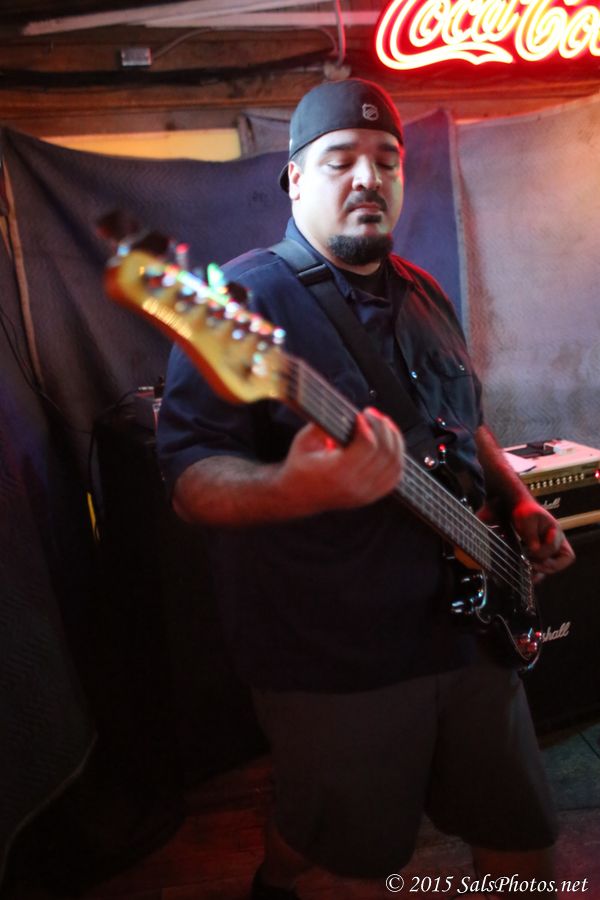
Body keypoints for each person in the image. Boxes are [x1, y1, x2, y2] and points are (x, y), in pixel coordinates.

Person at [156, 78, 575, 899]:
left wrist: (517, 501)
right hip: (339, 660)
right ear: (294, 179)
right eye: (341, 159)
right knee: (341, 865)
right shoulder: (239, 299)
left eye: (387, 160)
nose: (368, 177)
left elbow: (466, 425)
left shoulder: (425, 292)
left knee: (524, 844)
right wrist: (297, 488)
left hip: (473, 636)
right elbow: (190, 478)